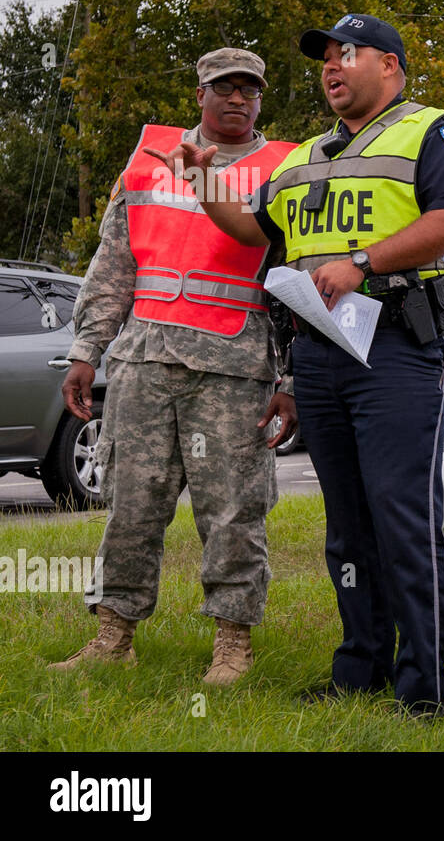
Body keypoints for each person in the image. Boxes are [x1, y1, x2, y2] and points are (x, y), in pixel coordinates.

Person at [150, 15, 444, 716]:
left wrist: (361, 263)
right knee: (347, 527)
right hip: (321, 356)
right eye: (326, 58)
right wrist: (203, 179)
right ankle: (358, 666)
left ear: (390, 67)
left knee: (402, 518)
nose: (332, 67)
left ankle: (422, 690)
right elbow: (254, 229)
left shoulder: (431, 132)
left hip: (398, 347)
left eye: (349, 54)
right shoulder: (304, 154)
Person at [53, 48, 299, 685]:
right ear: (200, 93)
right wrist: (87, 350)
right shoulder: (147, 159)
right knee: (130, 505)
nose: (237, 99)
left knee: (234, 513)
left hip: (235, 370)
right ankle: (113, 637)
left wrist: (291, 378)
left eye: (250, 89)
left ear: (261, 98)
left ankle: (232, 646)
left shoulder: (287, 169)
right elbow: (114, 264)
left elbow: (299, 281)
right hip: (143, 362)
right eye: (224, 87)